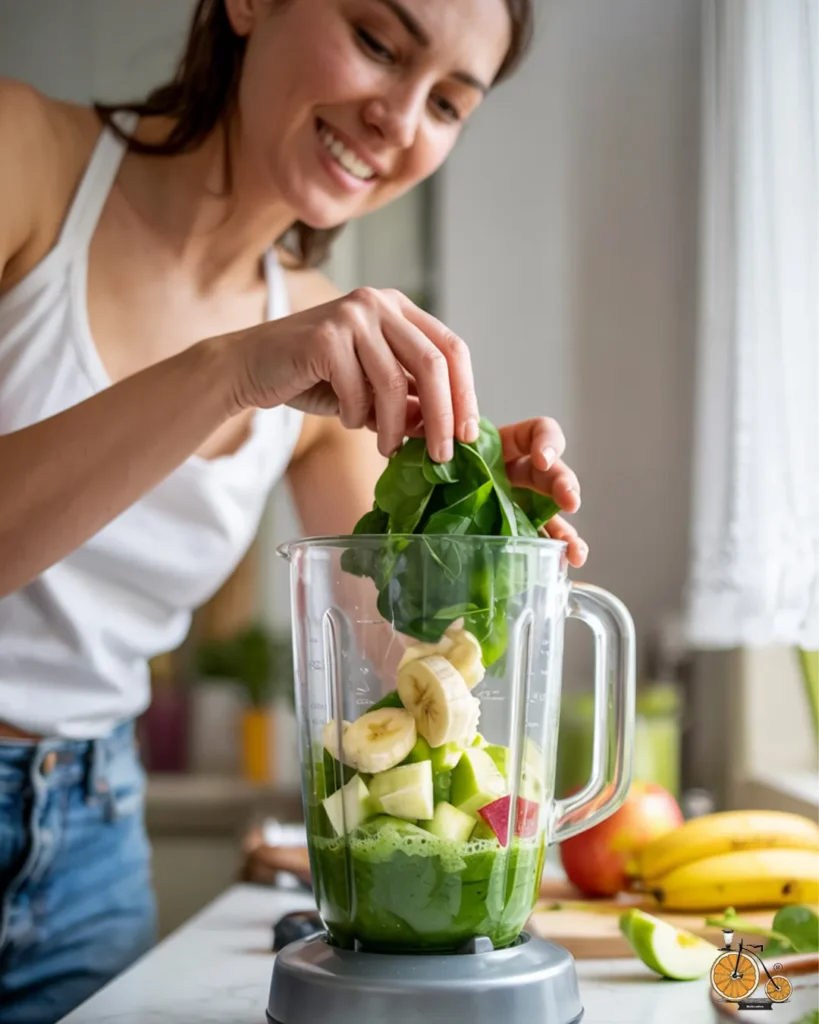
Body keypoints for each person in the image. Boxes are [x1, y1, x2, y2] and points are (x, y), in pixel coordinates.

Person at [0, 0, 587, 1019]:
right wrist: (231, 369)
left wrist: (489, 525)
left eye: (447, 102)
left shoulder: (306, 339)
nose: (399, 121)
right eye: (375, 41)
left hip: (90, 835)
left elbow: (412, 664)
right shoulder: (23, 157)